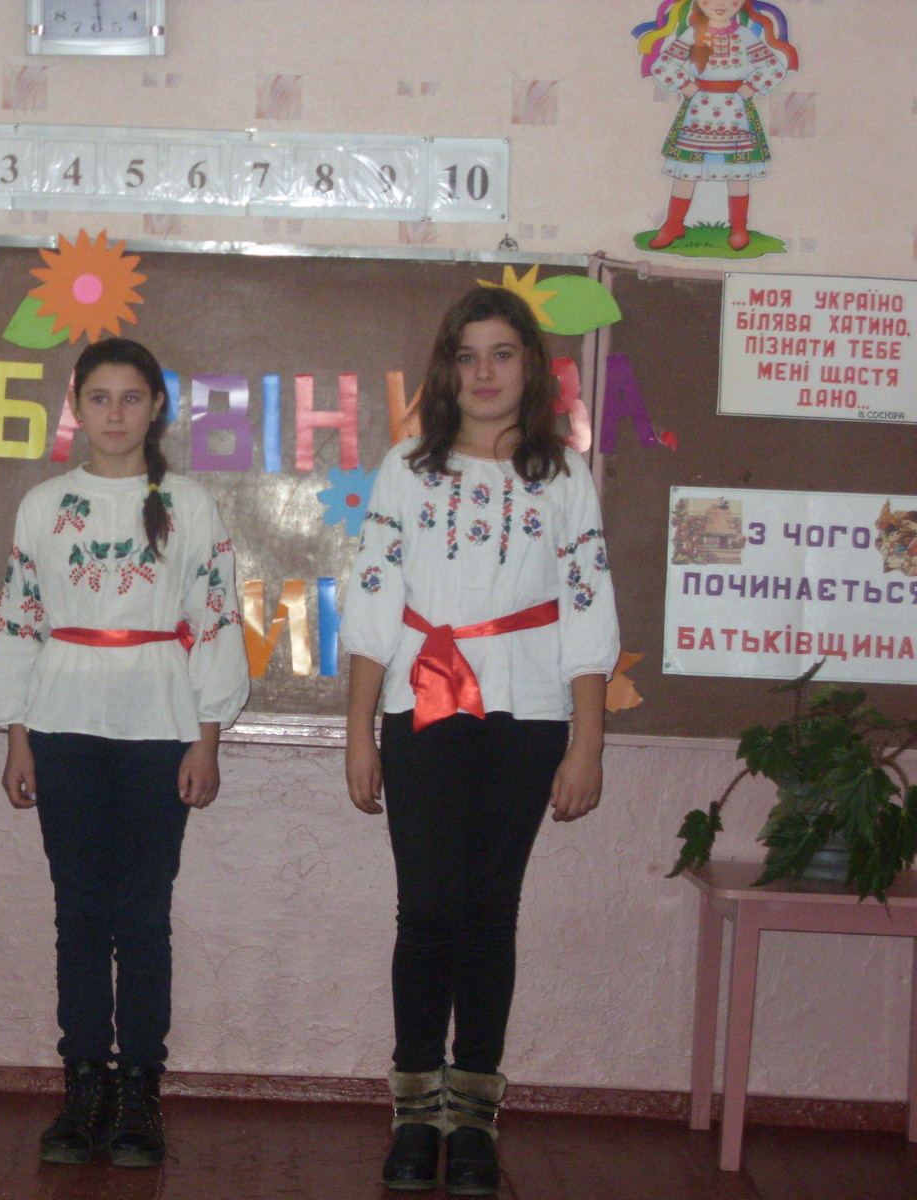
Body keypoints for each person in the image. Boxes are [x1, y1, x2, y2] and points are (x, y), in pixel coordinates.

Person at [342, 287, 619, 1195]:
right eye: (468, 356)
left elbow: (587, 610)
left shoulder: (563, 476)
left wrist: (587, 743)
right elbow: (374, 604)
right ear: (447, 369)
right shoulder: (406, 470)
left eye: (502, 353)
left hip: (529, 713)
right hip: (424, 705)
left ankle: (473, 1117)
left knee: (490, 911)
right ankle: (414, 1108)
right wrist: (359, 734)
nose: (485, 372)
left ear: (530, 367)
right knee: (427, 909)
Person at [0, 337, 250, 1168]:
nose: (114, 413)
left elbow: (215, 619)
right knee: (78, 912)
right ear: (76, 405)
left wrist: (207, 737)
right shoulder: (44, 505)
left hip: (160, 727)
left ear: (157, 407)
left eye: (131, 397)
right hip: (62, 724)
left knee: (141, 915)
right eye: (98, 397)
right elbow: (19, 620)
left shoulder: (189, 504)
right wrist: (17, 736)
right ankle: (83, 1087)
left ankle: (139, 1090)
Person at [633, 0, 798, 251]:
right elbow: (663, 65)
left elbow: (773, 67)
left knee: (739, 171)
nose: (721, 4)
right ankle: (673, 224)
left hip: (736, 113)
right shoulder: (692, 34)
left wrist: (752, 86)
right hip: (699, 111)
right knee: (686, 171)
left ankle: (739, 228)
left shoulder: (745, 36)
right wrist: (683, 84)